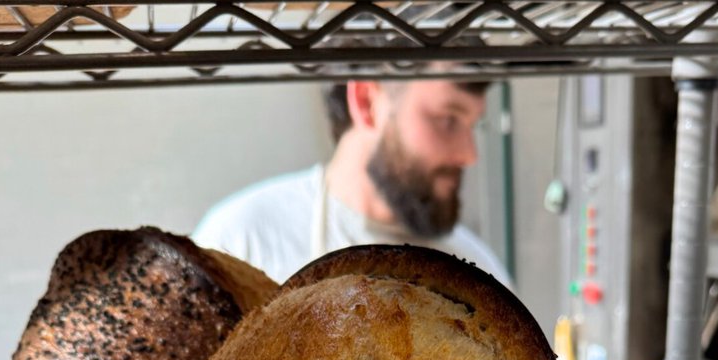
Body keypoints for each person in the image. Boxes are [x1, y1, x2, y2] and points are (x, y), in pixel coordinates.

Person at [193, 74, 511, 287]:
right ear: (367, 102)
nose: (469, 154)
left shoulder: (480, 275)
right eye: (448, 119)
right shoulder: (240, 244)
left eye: (473, 125)